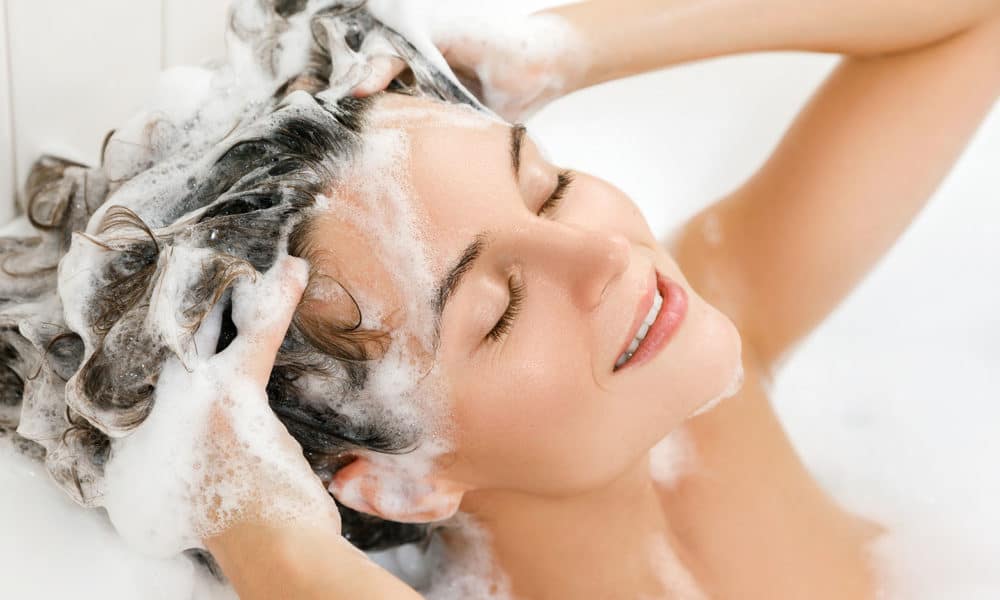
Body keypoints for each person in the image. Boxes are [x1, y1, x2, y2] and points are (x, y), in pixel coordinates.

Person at [9, 0, 997, 598]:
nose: (600, 257)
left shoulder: (710, 318)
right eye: (497, 311)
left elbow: (970, 22)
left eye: (548, 185)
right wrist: (249, 518)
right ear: (398, 482)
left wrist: (556, 41)